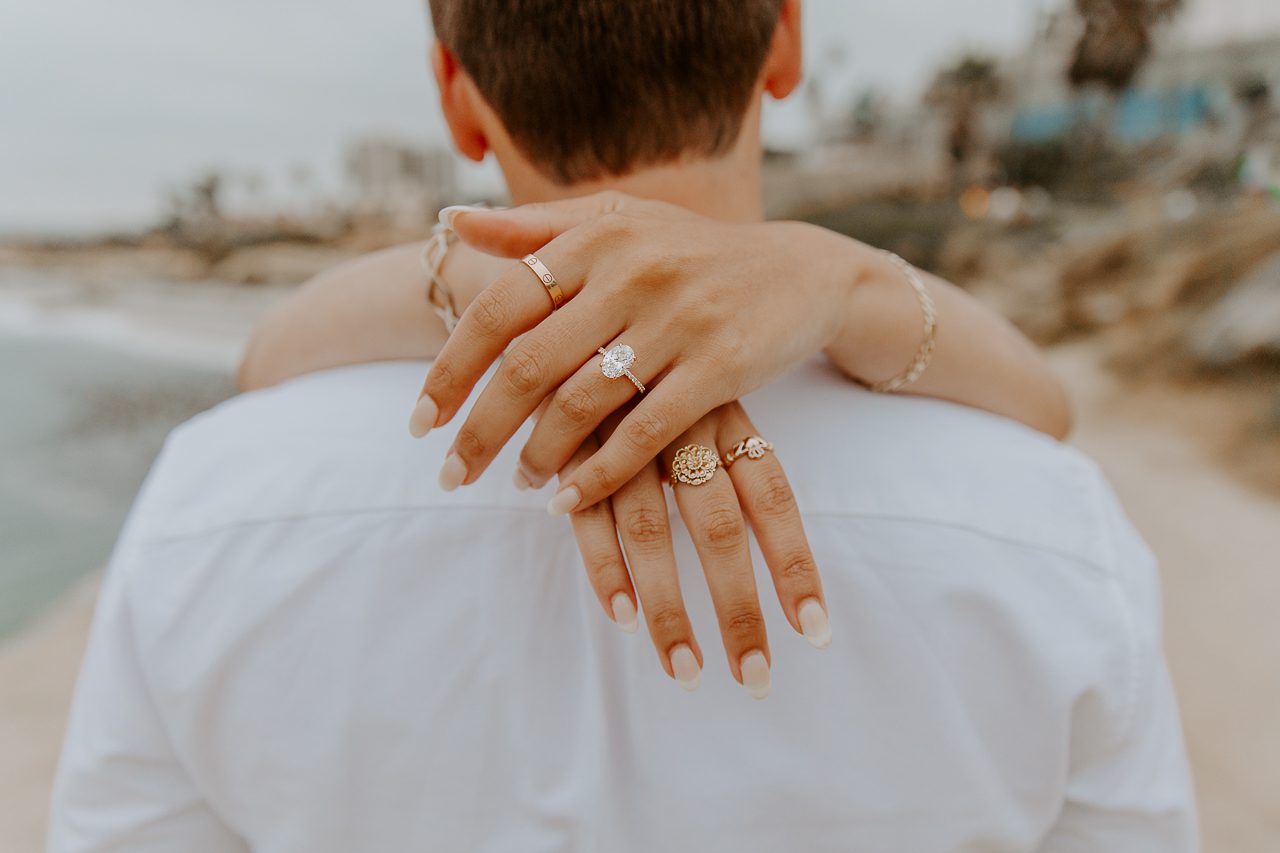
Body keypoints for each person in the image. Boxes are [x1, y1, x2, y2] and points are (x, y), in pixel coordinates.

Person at [50, 1, 1197, 850]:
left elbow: (263, 360)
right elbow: (1047, 411)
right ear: (785, 43)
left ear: (455, 93)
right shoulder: (1052, 520)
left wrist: (481, 274)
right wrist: (841, 279)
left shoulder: (204, 503)